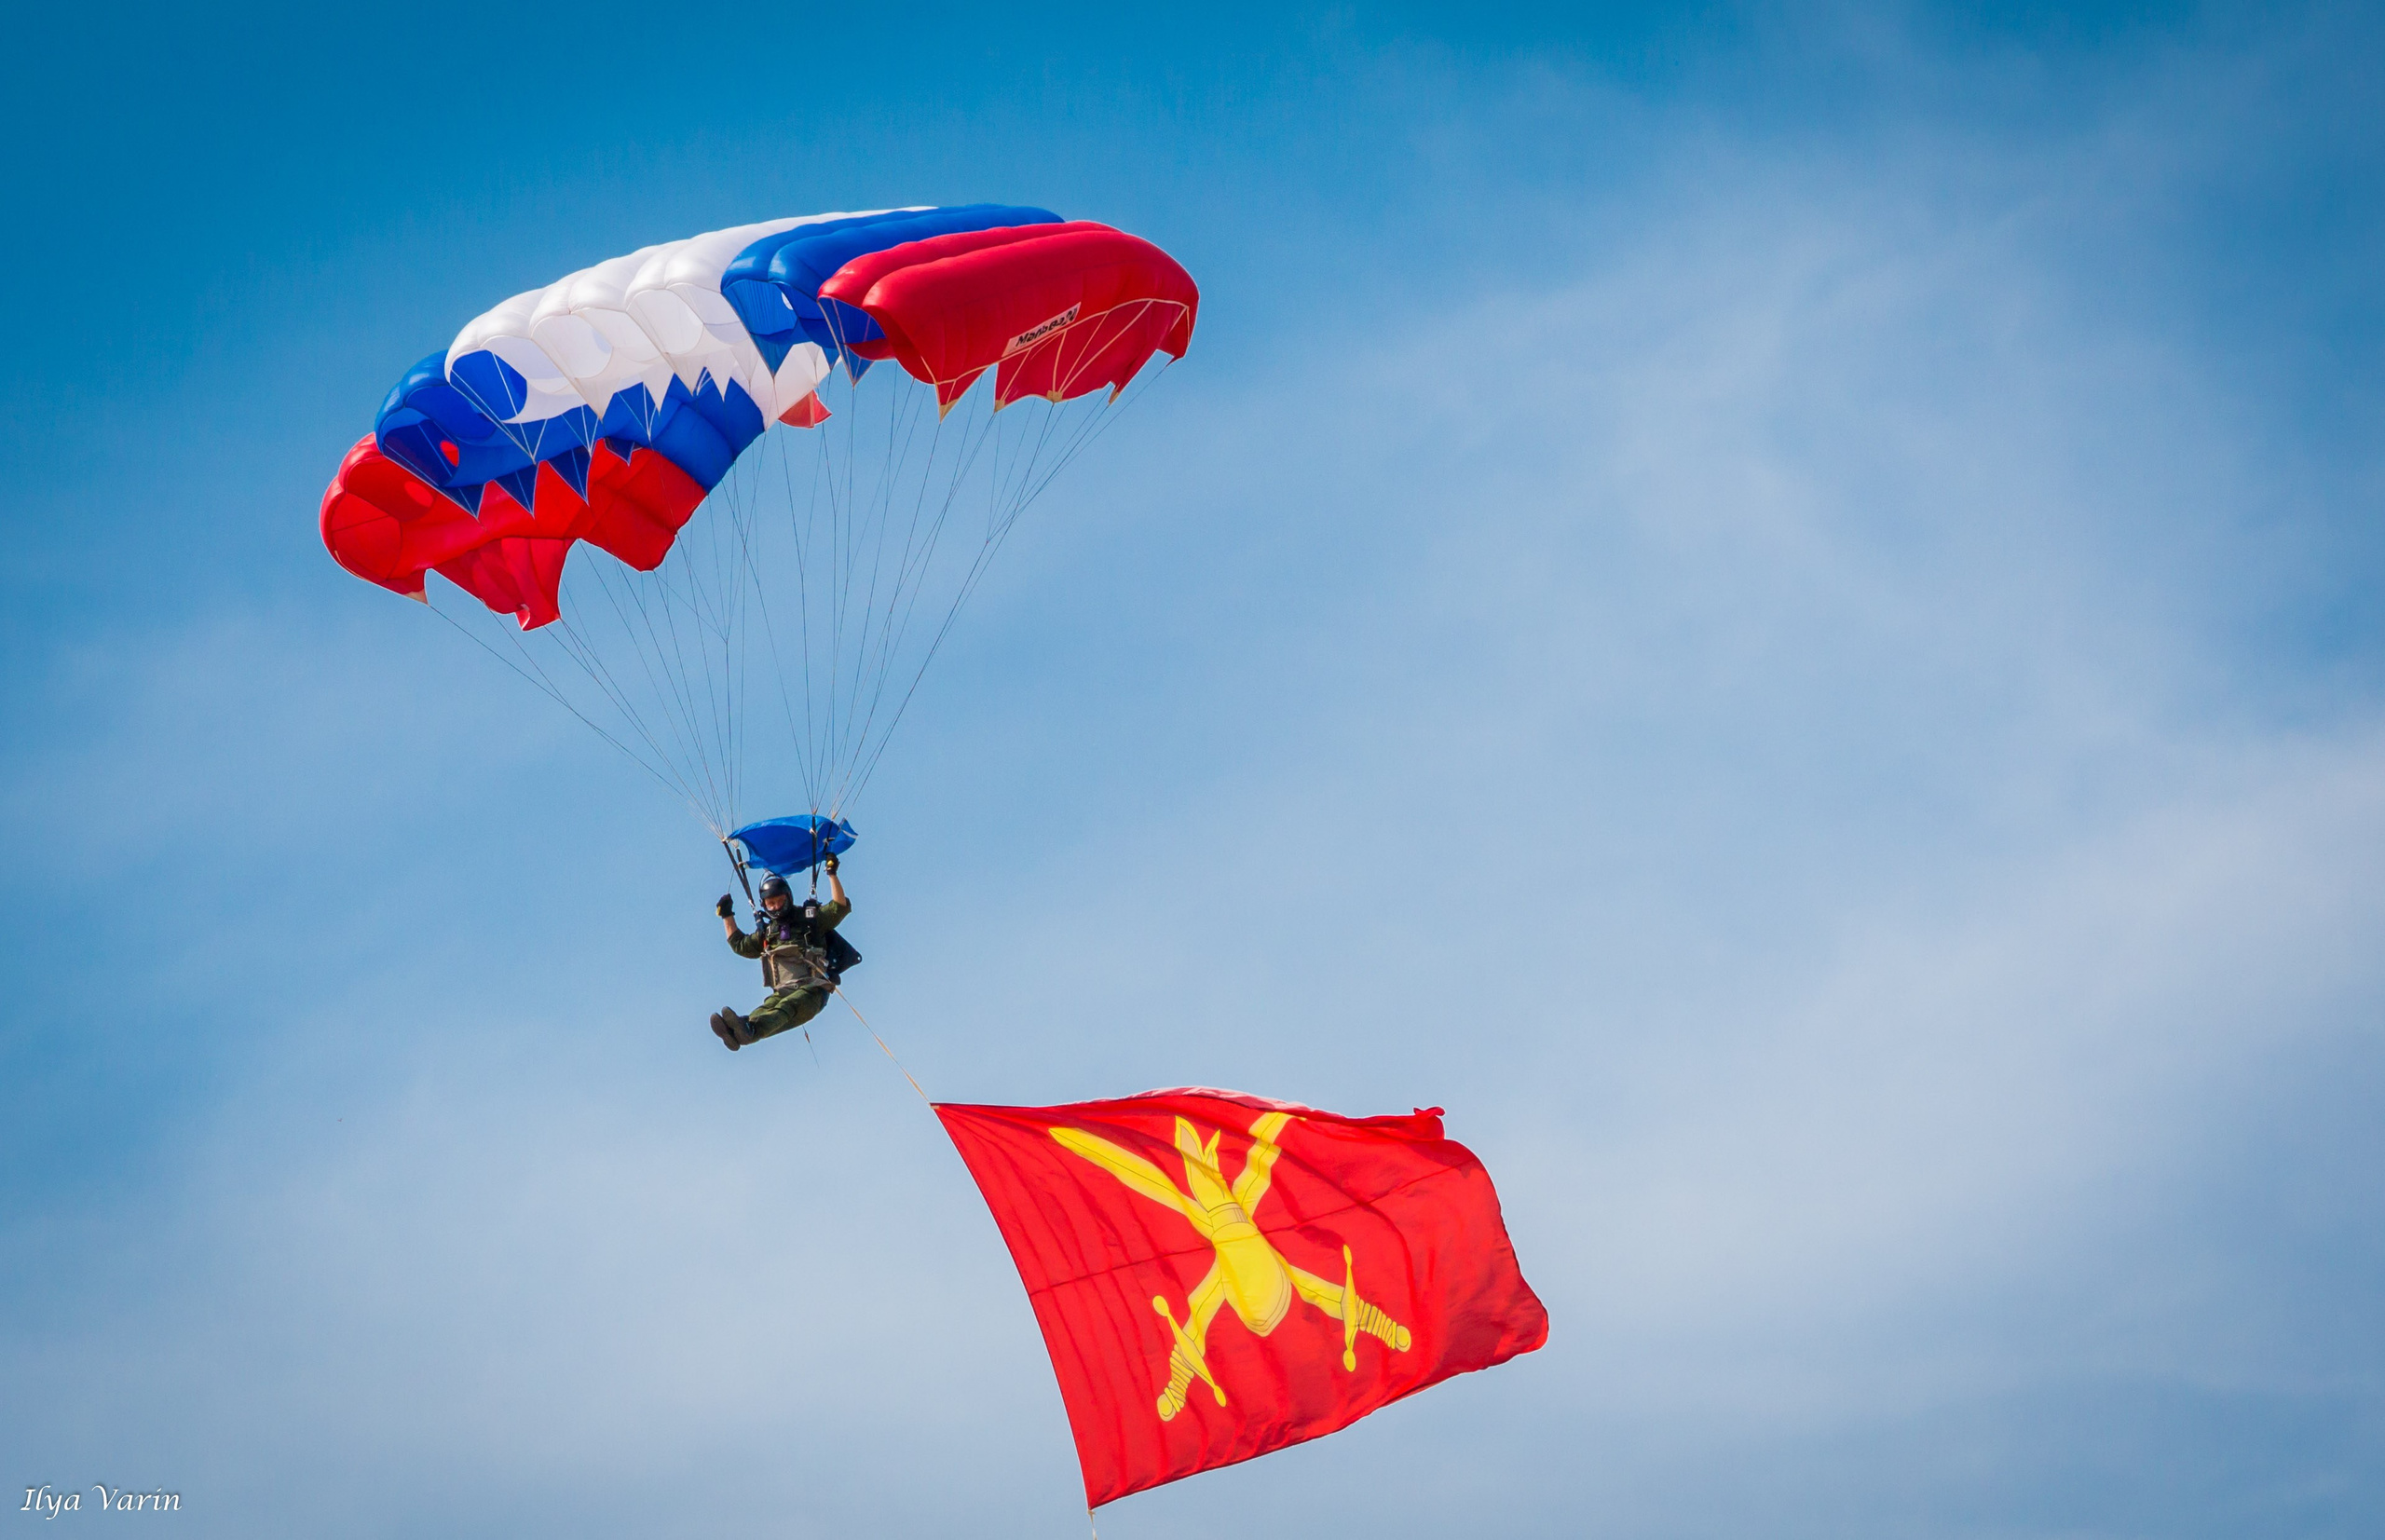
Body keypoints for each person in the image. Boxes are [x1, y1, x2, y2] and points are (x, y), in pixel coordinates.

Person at [711, 855, 854, 1051]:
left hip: (812, 991)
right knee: (766, 1009)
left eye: (780, 901)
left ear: (788, 897)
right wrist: (727, 915)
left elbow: (840, 907)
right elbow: (741, 945)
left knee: (784, 1009)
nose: (776, 907)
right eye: (771, 904)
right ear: (764, 905)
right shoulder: (769, 932)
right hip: (783, 991)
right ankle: (737, 1032)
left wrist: (832, 874)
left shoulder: (809, 920)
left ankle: (749, 1032)